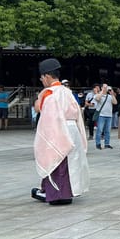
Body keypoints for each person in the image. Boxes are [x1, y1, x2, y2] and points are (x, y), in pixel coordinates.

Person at [31, 58, 90, 205]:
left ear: (47, 76)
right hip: (72, 129)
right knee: (70, 162)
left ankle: (55, 195)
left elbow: (41, 111)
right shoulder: (67, 92)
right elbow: (77, 113)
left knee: (55, 159)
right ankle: (67, 193)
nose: (41, 80)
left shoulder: (49, 93)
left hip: (57, 128)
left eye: (42, 77)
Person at [93, 84, 117, 150]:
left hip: (109, 115)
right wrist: (102, 91)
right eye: (104, 87)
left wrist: (112, 94)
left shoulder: (109, 96)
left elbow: (115, 102)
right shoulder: (98, 95)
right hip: (101, 115)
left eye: (107, 87)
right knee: (99, 130)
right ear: (101, 88)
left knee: (108, 131)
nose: (106, 88)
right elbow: (97, 98)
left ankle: (107, 144)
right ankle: (98, 143)